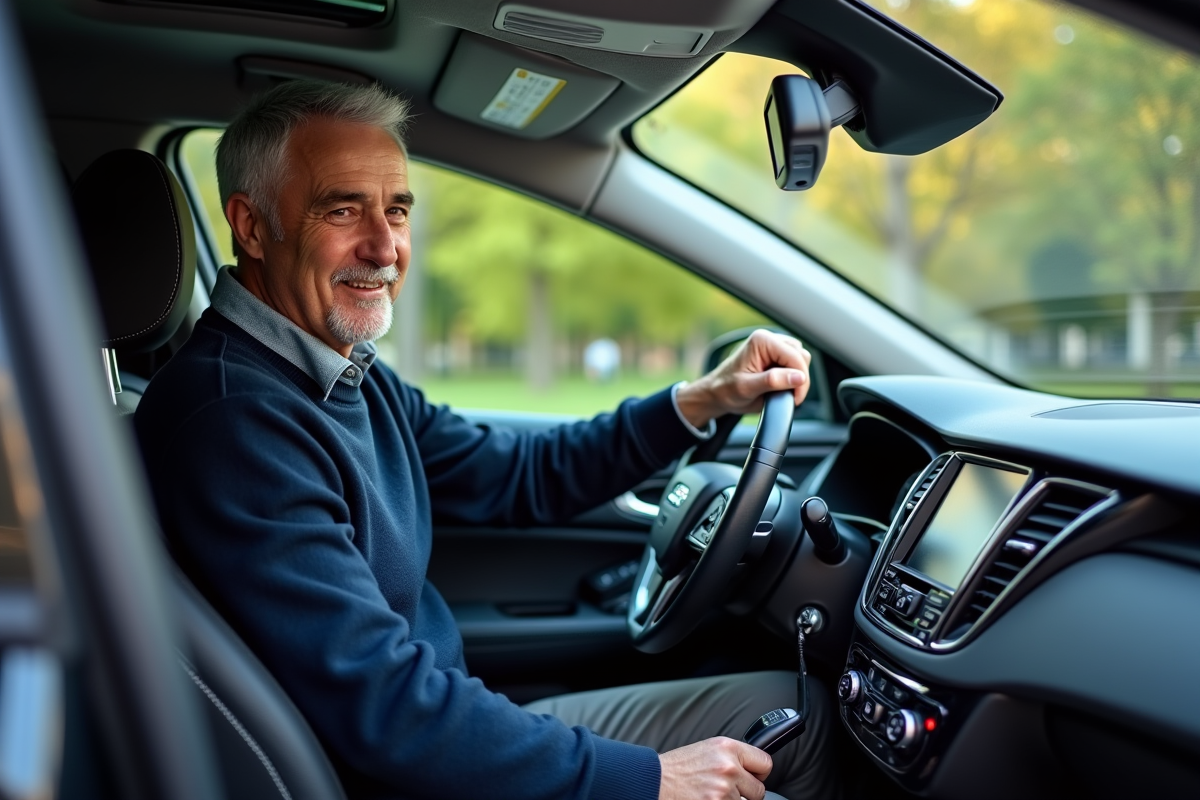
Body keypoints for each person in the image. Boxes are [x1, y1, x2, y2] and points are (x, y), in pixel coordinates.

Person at [136, 80, 837, 800]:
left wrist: (703, 399)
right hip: (409, 778)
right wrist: (649, 781)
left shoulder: (341, 375)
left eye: (397, 210)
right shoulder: (236, 422)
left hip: (450, 747)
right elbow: (385, 706)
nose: (384, 246)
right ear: (252, 227)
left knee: (801, 716)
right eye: (342, 210)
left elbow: (518, 473)